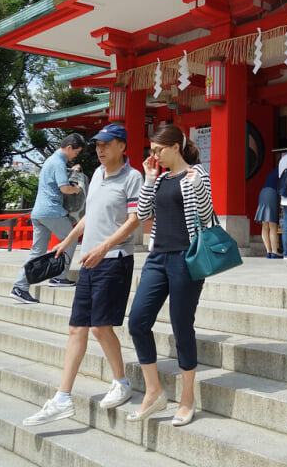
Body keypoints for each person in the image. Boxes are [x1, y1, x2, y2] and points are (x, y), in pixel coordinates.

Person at [22, 123, 143, 425]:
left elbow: (134, 220)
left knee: (101, 327)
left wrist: (104, 247)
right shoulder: (98, 175)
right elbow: (90, 214)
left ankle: (122, 382)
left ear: (122, 147)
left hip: (114, 259)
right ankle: (62, 398)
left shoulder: (133, 177)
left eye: (106, 144)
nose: (99, 149)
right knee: (77, 328)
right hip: (89, 260)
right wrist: (67, 239)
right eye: (97, 144)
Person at [127, 123, 214, 426]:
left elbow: (208, 217)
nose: (154, 155)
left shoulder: (197, 175)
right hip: (157, 257)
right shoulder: (160, 177)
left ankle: (187, 398)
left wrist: (199, 187)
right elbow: (142, 214)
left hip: (185, 258)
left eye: (158, 150)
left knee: (181, 326)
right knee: (137, 321)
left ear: (176, 147)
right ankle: (154, 392)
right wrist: (149, 179)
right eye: (151, 150)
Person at [10, 132, 86, 304]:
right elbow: (64, 188)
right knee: (71, 239)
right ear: (68, 148)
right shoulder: (59, 162)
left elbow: (55, 178)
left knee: (37, 251)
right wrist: (76, 189)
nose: (76, 155)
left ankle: (20, 287)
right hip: (52, 211)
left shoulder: (51, 160)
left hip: (38, 212)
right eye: (76, 152)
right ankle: (59, 277)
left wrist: (71, 171)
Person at [254, 163, 282, 259]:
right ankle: (275, 252)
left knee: (265, 225)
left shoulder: (272, 171)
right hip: (272, 193)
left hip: (263, 193)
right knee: (272, 225)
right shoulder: (283, 170)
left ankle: (268, 251)